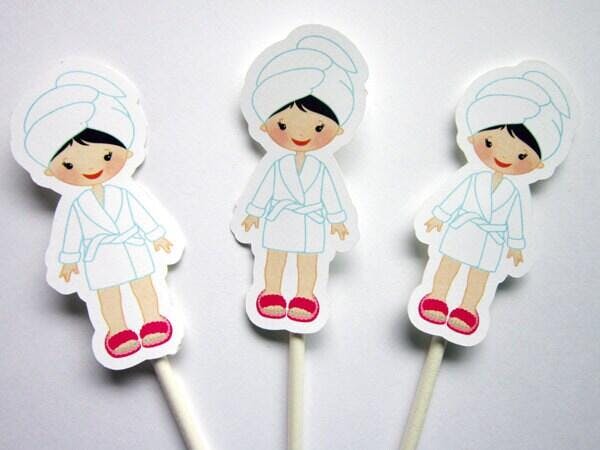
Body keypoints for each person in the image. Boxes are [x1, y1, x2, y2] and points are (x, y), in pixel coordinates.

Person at [17, 70, 176, 358]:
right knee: (108, 294)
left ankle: (153, 320)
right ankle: (118, 330)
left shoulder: (126, 193)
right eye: (68, 165)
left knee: (144, 284)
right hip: (99, 256)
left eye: (106, 156)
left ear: (126, 152)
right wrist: (68, 259)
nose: (91, 168)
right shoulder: (74, 205)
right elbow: (70, 231)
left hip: (132, 246)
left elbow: (141, 214)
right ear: (50, 170)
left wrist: (157, 236)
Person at [417, 67, 574, 336]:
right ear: (473, 136)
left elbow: (517, 218)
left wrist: (516, 245)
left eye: (522, 156)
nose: (503, 157)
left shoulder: (516, 193)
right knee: (448, 264)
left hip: (491, 240)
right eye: (490, 142)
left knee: (479, 276)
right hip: (462, 229)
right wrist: (439, 216)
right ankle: (437, 296)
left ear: (539, 163)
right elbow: (456, 197)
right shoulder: (471, 178)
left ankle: (467, 308)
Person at [236, 28, 367, 325]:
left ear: (339, 129)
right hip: (279, 219)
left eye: (318, 127)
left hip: (311, 221)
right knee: (275, 256)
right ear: (265, 124)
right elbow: (263, 189)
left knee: (309, 261)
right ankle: (271, 291)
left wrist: (337, 220)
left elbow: (331, 193)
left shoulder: (323, 168)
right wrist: (253, 213)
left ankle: (305, 295)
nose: (299, 134)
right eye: (283, 124)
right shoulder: (275, 165)